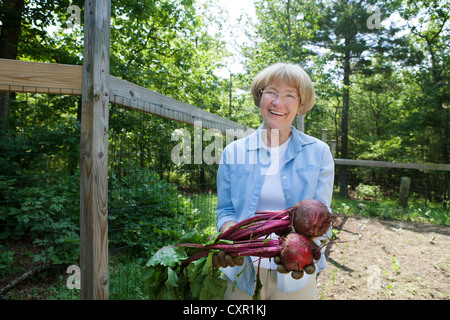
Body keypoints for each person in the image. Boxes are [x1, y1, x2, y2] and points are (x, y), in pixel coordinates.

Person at [215, 62, 335, 300]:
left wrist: (305, 246)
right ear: (260, 97)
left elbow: (323, 215)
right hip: (240, 270)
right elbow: (226, 210)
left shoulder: (318, 152)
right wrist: (229, 239)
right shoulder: (233, 152)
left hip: (294, 275)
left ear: (301, 105)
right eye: (271, 92)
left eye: (290, 95)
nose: (278, 102)